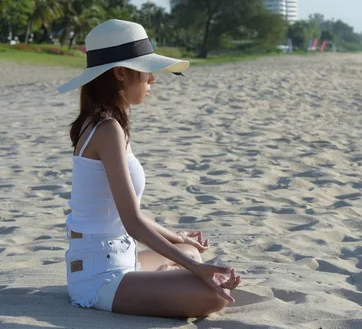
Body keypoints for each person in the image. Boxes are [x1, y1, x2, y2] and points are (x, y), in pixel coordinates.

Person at [57, 19, 241, 318]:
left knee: (189, 251)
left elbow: (130, 215)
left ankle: (167, 274)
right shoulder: (107, 129)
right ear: (119, 73)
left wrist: (178, 239)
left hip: (119, 255)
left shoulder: (104, 123)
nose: (153, 79)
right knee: (212, 295)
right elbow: (132, 221)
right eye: (146, 70)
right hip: (100, 277)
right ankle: (167, 277)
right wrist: (196, 270)